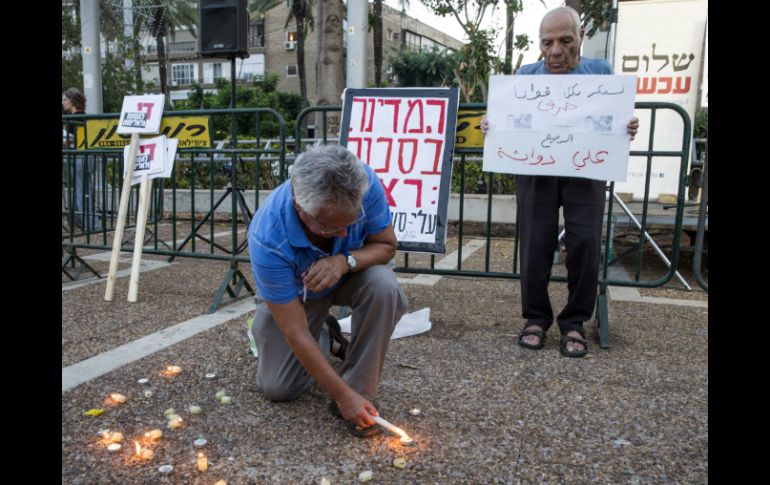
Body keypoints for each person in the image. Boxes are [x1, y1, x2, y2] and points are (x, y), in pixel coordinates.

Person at [481, 7, 639, 358]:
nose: (555, 51)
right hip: (536, 170)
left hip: (586, 170)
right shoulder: (526, 75)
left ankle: (574, 321)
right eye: (547, 43)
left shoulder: (600, 72)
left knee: (585, 243)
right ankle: (536, 317)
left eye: (565, 41)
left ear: (581, 37)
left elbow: (614, 118)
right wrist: (492, 123)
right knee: (535, 244)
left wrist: (627, 126)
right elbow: (508, 119)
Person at [247, 144, 408, 437]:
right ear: (300, 207)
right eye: (331, 228)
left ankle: (359, 390)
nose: (344, 234)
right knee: (279, 388)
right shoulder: (268, 235)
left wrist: (345, 260)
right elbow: (294, 330)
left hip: (352, 274)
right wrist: (339, 393)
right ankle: (325, 333)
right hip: (299, 296)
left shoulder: (363, 184)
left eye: (351, 222)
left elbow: (386, 246)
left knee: (384, 286)